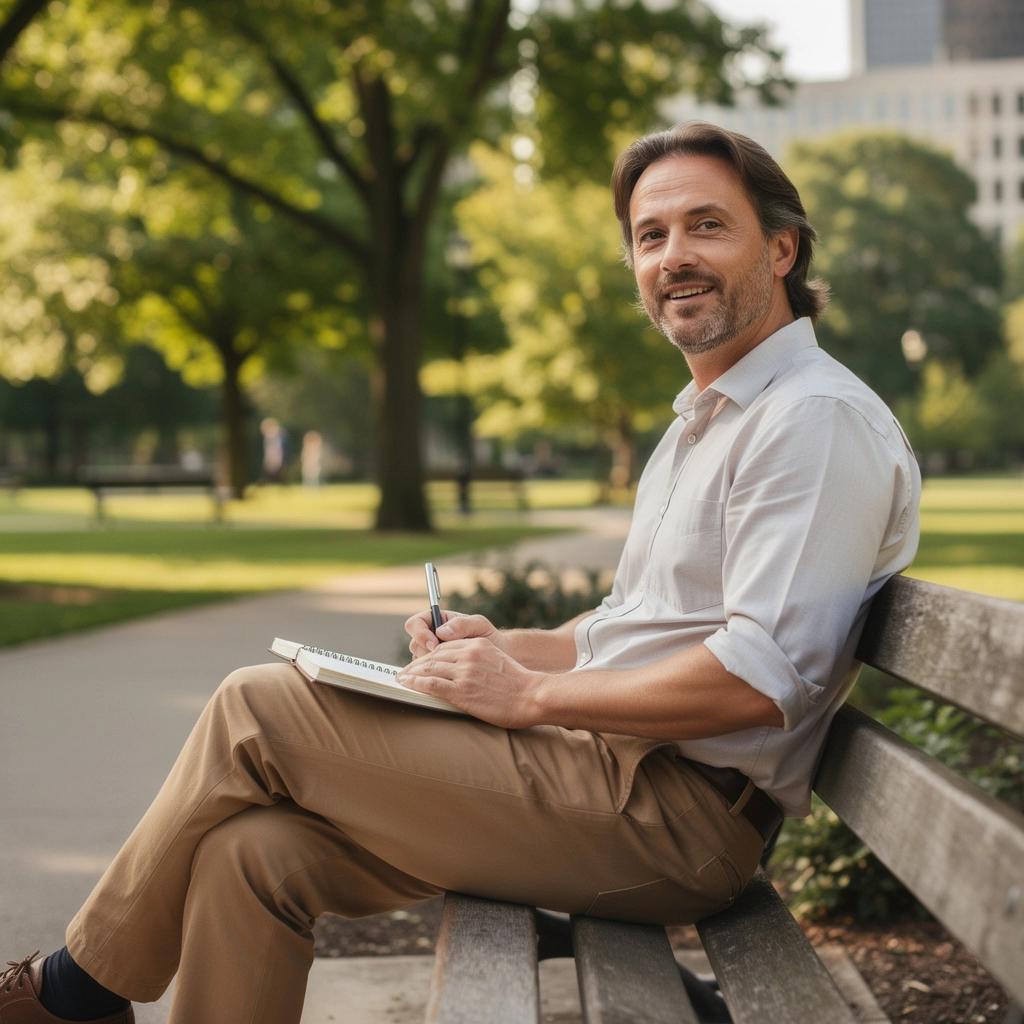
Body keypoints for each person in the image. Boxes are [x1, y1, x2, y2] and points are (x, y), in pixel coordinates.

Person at [0, 122, 920, 1024]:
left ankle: (75, 993)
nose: (674, 254)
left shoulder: (812, 421)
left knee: (258, 707)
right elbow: (618, 633)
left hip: (674, 823)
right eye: (650, 235)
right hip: (604, 780)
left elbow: (762, 679)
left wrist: (526, 698)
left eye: (706, 225)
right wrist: (500, 652)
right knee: (252, 853)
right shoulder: (708, 422)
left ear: (783, 250)